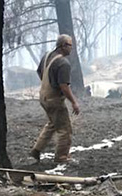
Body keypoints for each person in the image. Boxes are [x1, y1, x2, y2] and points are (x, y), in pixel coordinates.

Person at [30, 34, 80, 164]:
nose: (71, 49)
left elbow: (39, 72)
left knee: (53, 123)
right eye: (70, 46)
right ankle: (61, 157)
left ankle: (36, 149)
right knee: (65, 129)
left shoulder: (47, 56)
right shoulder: (63, 63)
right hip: (54, 100)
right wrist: (74, 102)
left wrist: (48, 83)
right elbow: (64, 87)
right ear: (63, 46)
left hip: (43, 97)